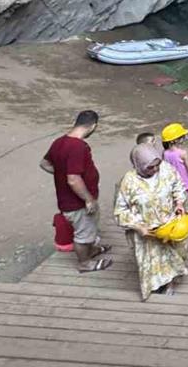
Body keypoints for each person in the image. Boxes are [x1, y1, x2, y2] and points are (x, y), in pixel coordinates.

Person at [113, 142, 188, 299]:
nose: (155, 170)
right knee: (153, 261)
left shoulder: (167, 169)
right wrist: (138, 227)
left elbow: (178, 187)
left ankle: (170, 284)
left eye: (157, 165)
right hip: (147, 231)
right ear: (139, 165)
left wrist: (179, 203)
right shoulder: (128, 182)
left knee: (173, 256)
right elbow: (120, 211)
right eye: (150, 167)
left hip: (170, 225)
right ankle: (157, 285)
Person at [40, 110, 111, 272]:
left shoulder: (59, 142)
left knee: (87, 229)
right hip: (77, 202)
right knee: (83, 234)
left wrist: (61, 173)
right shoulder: (78, 147)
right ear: (93, 126)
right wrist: (88, 199)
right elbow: (73, 179)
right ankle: (85, 263)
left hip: (65, 198)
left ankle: (91, 251)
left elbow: (44, 163)